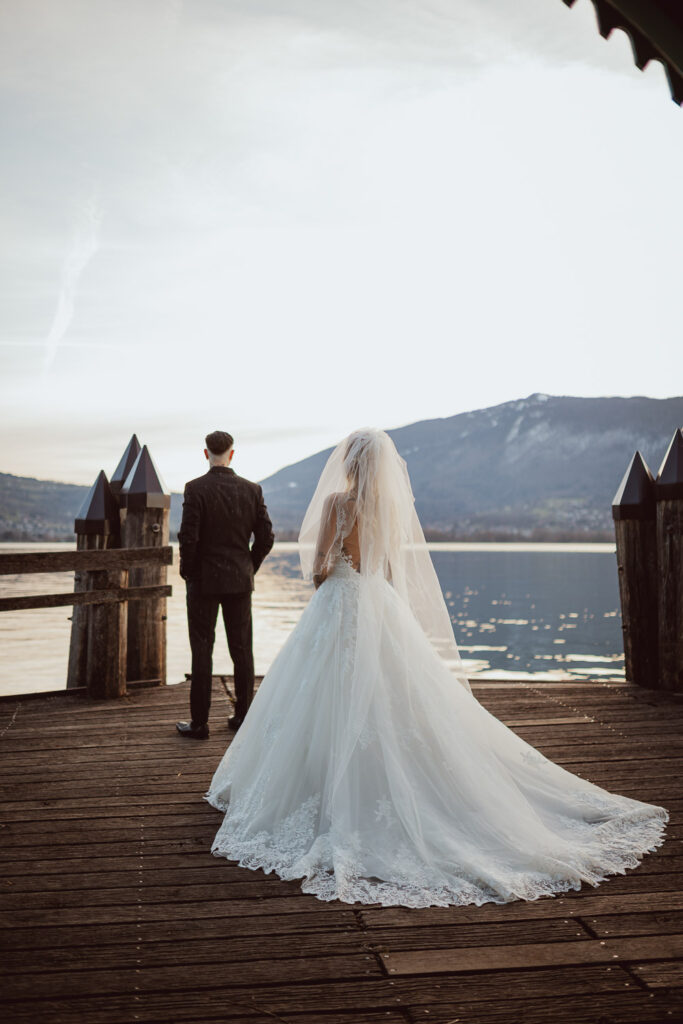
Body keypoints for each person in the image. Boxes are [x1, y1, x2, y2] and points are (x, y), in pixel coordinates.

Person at [205, 428, 667, 907]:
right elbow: (385, 569)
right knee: (393, 695)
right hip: (377, 604)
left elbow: (321, 563)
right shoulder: (388, 507)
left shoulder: (338, 504)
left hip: (340, 600)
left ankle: (317, 788)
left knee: (316, 693)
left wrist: (322, 575)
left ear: (349, 463)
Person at [176, 430, 274, 740]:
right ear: (232, 454)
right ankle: (244, 716)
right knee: (243, 650)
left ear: (206, 454)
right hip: (238, 580)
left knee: (202, 649)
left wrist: (188, 572)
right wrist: (249, 565)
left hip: (203, 581)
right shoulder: (252, 490)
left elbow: (188, 538)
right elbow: (266, 537)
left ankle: (200, 723)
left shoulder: (195, 489)